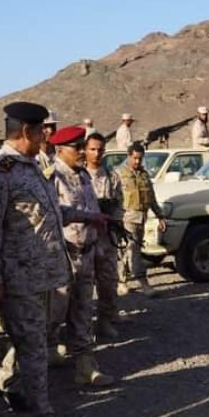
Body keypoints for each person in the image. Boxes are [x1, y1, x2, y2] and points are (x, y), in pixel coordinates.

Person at [0, 101, 74, 417]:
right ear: (27, 132)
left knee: (32, 341)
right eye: (42, 130)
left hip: (44, 273)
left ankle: (8, 385)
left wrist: (84, 215)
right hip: (18, 278)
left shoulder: (32, 166)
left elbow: (46, 212)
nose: (47, 136)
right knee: (34, 348)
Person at [48, 126, 115, 387]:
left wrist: (99, 237)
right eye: (76, 148)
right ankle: (19, 370)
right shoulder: (51, 177)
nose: (80, 152)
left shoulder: (83, 176)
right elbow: (56, 213)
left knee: (84, 310)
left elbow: (93, 209)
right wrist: (90, 217)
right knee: (53, 313)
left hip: (87, 253)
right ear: (60, 150)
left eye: (80, 146)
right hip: (63, 255)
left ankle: (85, 367)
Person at [83, 132, 123, 339]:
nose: (97, 153)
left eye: (100, 149)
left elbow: (119, 204)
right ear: (85, 150)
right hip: (85, 240)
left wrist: (114, 219)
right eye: (93, 149)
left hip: (106, 239)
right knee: (83, 287)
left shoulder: (111, 176)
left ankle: (105, 320)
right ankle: (83, 327)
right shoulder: (79, 176)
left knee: (108, 283)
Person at [116, 142, 164, 297]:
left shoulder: (144, 174)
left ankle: (123, 280)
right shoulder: (118, 174)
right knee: (132, 250)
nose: (137, 161)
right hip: (126, 219)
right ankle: (142, 282)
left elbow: (151, 198)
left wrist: (160, 216)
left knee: (130, 250)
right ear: (129, 156)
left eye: (140, 159)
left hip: (141, 218)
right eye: (135, 158)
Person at [36, 110, 58, 177]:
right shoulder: (33, 157)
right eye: (45, 126)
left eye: (52, 126)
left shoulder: (59, 152)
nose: (50, 131)